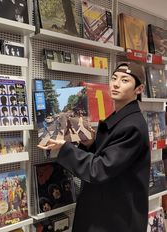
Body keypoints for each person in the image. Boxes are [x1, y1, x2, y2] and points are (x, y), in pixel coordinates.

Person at [37, 61, 151, 232]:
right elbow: (110, 158)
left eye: (125, 80)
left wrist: (64, 148)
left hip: (116, 219)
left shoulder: (132, 126)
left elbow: (99, 169)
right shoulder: (122, 118)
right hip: (107, 210)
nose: (116, 84)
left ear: (139, 89)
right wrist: (91, 144)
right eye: (114, 78)